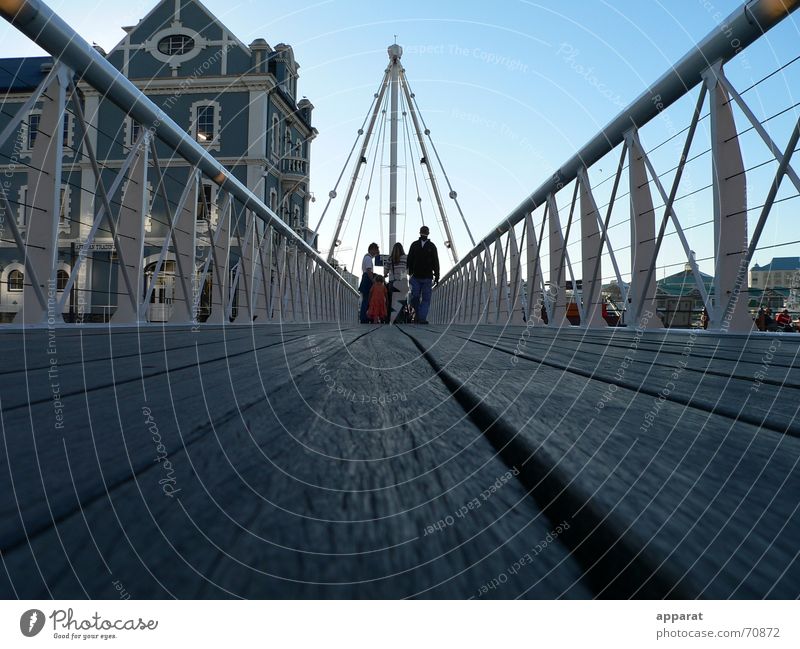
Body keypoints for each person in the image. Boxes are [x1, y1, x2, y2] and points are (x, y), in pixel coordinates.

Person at [406, 226, 440, 324]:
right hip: (418, 276)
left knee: (420, 298)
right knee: (418, 298)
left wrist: (437, 275)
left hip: (424, 277)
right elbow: (435, 262)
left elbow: (409, 260)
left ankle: (420, 318)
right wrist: (437, 276)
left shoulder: (417, 245)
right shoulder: (429, 246)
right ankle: (418, 317)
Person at [387, 242, 409, 324]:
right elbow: (408, 269)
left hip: (393, 282)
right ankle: (399, 319)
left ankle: (393, 319)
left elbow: (385, 271)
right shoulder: (405, 258)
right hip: (402, 282)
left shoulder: (390, 259)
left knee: (393, 301)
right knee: (400, 302)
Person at [358, 243, 379, 323]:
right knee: (367, 299)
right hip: (367, 279)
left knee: (366, 299)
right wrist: (373, 280)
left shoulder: (366, 257)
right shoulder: (368, 258)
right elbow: (368, 270)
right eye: (376, 250)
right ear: (372, 249)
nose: (376, 252)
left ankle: (364, 317)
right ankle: (364, 317)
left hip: (365, 278)